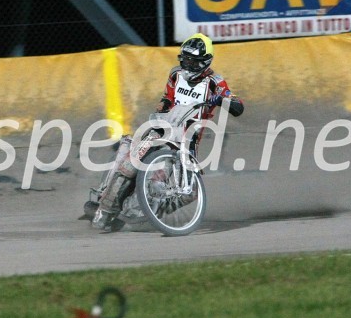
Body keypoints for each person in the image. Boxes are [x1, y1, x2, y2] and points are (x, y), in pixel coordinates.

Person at [90, 33, 244, 231]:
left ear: (205, 61)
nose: (188, 65)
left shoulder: (215, 82)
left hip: (187, 140)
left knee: (190, 192)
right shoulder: (175, 74)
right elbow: (167, 99)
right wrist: (161, 110)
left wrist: (223, 100)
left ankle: (147, 213)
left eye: (193, 61)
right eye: (185, 59)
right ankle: (105, 209)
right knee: (130, 165)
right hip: (161, 129)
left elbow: (237, 105)